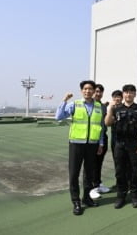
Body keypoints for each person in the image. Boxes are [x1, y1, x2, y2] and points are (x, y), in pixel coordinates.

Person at [55, 80, 103, 216]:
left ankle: (86, 198)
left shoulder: (99, 107)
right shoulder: (75, 104)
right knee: (74, 173)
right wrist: (64, 100)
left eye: (90, 89)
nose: (88, 91)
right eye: (85, 89)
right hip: (76, 144)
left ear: (94, 91)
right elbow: (58, 117)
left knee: (89, 174)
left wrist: (100, 144)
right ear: (82, 91)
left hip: (92, 145)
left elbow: (99, 127)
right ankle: (76, 201)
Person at [105, 84, 137, 209]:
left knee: (134, 170)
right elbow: (107, 123)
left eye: (131, 92)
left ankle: (135, 196)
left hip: (134, 143)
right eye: (126, 92)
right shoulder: (116, 109)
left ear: (135, 94)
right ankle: (121, 196)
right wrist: (110, 109)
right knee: (119, 170)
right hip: (119, 143)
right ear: (123, 94)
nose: (128, 94)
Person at [89, 84, 111, 199]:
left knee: (99, 162)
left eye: (100, 92)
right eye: (96, 91)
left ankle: (98, 183)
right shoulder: (89, 105)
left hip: (103, 137)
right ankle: (91, 188)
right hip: (92, 139)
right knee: (92, 164)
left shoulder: (102, 106)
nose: (98, 94)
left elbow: (104, 123)